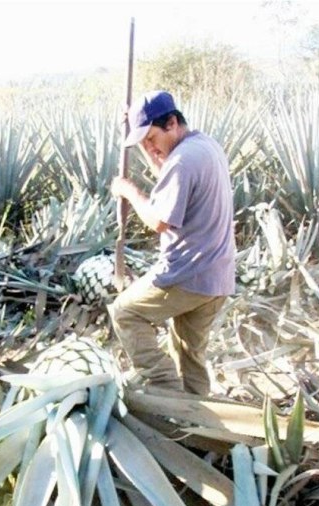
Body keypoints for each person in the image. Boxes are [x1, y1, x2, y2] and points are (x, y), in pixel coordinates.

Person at [108, 90, 235, 395]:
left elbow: (158, 220)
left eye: (151, 138)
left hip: (186, 276)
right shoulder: (204, 145)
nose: (149, 147)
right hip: (217, 277)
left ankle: (165, 390)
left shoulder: (182, 161)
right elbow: (168, 177)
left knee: (124, 312)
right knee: (190, 357)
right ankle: (199, 425)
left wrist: (128, 191)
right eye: (143, 142)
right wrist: (146, 145)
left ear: (172, 123)